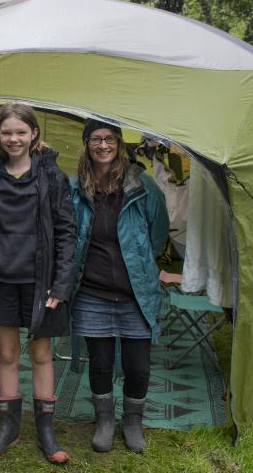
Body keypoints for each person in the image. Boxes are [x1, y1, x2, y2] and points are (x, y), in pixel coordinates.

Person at [0, 103, 77, 464]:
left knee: (42, 353)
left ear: (34, 134)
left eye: (20, 132)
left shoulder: (52, 177)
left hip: (41, 284)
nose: (13, 139)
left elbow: (66, 233)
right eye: (6, 133)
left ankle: (46, 430)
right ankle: (9, 428)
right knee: (7, 354)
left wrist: (61, 285)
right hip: (1, 282)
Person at [70, 119, 169, 453]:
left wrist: (140, 264)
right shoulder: (76, 188)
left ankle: (132, 421)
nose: (102, 146)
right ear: (86, 144)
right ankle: (105, 420)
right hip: (92, 293)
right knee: (99, 363)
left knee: (138, 365)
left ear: (120, 144)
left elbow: (157, 233)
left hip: (135, 295)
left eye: (109, 139)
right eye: (95, 139)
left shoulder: (143, 187)